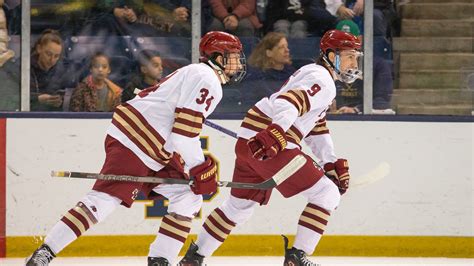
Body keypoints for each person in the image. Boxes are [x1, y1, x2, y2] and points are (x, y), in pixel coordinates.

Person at [25, 31, 246, 266]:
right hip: (138, 140)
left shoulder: (196, 72)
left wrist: (198, 168)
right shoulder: (208, 79)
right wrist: (200, 167)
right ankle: (44, 253)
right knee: (103, 201)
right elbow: (184, 135)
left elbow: (178, 130)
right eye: (233, 56)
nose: (238, 62)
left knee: (188, 197)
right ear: (218, 57)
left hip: (154, 145)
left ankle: (161, 260)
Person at [179, 29, 361, 266]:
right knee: (327, 194)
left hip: (251, 142)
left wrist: (329, 161)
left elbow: (316, 127)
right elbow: (289, 102)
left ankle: (195, 257)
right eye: (348, 55)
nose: (353, 62)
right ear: (329, 55)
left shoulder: (313, 74)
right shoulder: (322, 79)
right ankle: (297, 257)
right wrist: (275, 132)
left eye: (356, 56)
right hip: (270, 144)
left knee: (238, 207)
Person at [240, 32, 295, 105]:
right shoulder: (256, 77)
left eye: (287, 46)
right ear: (269, 53)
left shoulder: (293, 73)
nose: (287, 50)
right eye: (281, 47)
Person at [30, 29, 70, 111]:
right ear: (39, 49)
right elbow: (13, 98)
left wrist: (61, 102)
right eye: (48, 54)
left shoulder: (61, 71)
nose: (52, 60)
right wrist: (37, 99)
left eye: (56, 56)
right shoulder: (24, 68)